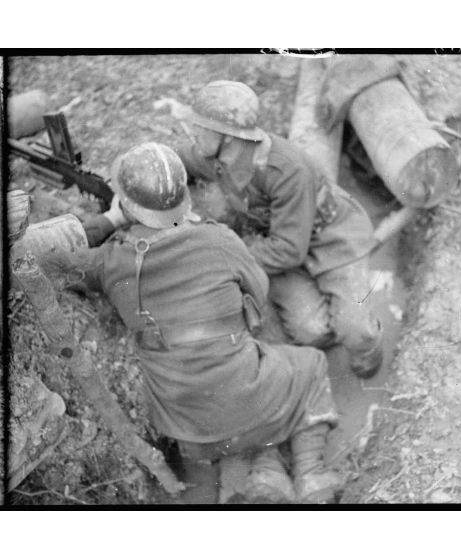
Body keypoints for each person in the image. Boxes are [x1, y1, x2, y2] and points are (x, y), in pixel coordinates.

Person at [81, 142, 341, 504]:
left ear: (127, 204)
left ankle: (261, 471)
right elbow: (258, 295)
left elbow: (57, 257)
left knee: (233, 400)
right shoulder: (219, 239)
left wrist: (110, 220)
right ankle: (311, 474)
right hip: (247, 399)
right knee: (311, 365)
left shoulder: (111, 261)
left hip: (187, 429)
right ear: (184, 197)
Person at [176, 80, 383, 380]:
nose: (193, 133)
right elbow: (176, 161)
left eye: (200, 127)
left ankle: (367, 354)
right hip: (278, 239)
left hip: (330, 238)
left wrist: (229, 257)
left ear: (228, 136)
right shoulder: (215, 156)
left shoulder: (286, 170)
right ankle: (327, 333)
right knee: (311, 331)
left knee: (356, 330)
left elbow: (288, 251)